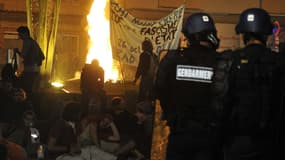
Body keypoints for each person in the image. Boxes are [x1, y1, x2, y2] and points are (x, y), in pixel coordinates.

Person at [155, 12, 230, 160]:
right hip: (209, 137)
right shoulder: (220, 62)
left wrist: (172, 115)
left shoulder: (173, 59)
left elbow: (160, 90)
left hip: (179, 135)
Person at [223, 8, 285, 160]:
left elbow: (220, 102)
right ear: (266, 35)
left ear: (243, 34)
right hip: (271, 142)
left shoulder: (231, 60)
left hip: (236, 141)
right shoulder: (279, 62)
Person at [14, 26, 45, 98]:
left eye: (20, 34)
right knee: (31, 88)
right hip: (35, 69)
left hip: (30, 70)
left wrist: (17, 51)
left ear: (24, 33)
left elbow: (23, 55)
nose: (19, 36)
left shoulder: (27, 41)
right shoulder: (33, 41)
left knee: (25, 87)